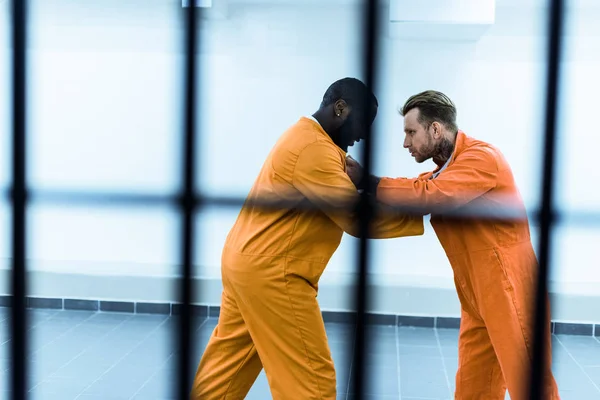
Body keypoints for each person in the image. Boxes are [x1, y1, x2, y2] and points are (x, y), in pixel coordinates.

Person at [190, 78, 425, 400]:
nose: (362, 135)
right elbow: (354, 216)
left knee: (226, 369)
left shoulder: (303, 137)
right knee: (311, 380)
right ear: (340, 108)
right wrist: (423, 208)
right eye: (362, 123)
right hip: (274, 274)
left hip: (244, 264)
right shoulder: (314, 148)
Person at [346, 90, 560, 400]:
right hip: (476, 293)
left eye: (411, 132)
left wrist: (370, 181)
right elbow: (419, 189)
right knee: (473, 387)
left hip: (510, 287)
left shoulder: (483, 158)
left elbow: (431, 195)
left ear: (435, 129)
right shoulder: (445, 170)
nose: (406, 143)